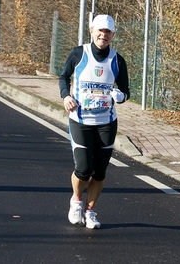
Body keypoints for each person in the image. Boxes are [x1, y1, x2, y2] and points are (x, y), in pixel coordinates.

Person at [59, 14, 130, 229]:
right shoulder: (79, 53)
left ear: (113, 35)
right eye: (100, 31)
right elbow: (63, 77)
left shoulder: (117, 60)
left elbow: (126, 91)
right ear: (91, 31)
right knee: (83, 168)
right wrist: (66, 96)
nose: (103, 35)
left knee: (99, 171)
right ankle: (76, 201)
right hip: (80, 120)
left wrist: (121, 96)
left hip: (106, 122)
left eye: (108, 32)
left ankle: (90, 210)